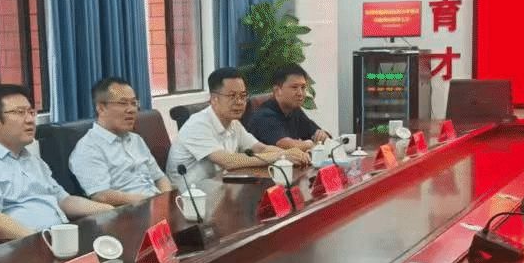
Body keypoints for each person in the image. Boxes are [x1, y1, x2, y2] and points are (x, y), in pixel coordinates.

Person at [0, 84, 110, 239]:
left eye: (31, 112)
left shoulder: (30, 158)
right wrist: (42, 239)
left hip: (58, 238)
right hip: (22, 247)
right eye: (20, 112)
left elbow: (63, 200)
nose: (30, 120)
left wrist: (110, 210)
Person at [167, 67, 300, 183]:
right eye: (232, 96)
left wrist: (290, 154)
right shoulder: (197, 125)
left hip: (218, 187)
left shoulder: (234, 123)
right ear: (214, 99)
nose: (240, 102)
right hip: (187, 196)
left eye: (243, 96)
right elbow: (229, 161)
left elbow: (260, 149)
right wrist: (280, 157)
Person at [69, 76, 173, 206]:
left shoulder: (136, 139)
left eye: (134, 103)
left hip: (156, 204)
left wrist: (167, 200)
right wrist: (150, 201)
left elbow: (160, 178)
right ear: (101, 108)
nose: (131, 110)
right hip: (129, 211)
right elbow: (101, 196)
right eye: (123, 103)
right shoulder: (88, 148)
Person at [245, 63, 330, 155]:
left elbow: (318, 134)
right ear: (277, 90)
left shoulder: (294, 111)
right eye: (294, 87)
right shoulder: (265, 115)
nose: (300, 93)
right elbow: (286, 145)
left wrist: (321, 135)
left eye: (303, 87)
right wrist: (311, 144)